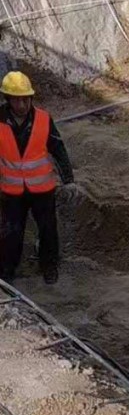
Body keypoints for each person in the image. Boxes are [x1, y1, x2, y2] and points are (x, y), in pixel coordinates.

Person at [0, 71, 75, 284]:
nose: (22, 104)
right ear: (8, 99)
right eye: (17, 100)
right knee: (10, 233)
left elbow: (58, 148)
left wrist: (68, 179)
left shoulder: (43, 119)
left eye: (26, 99)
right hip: (12, 191)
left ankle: (49, 266)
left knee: (48, 229)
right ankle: (6, 272)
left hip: (42, 189)